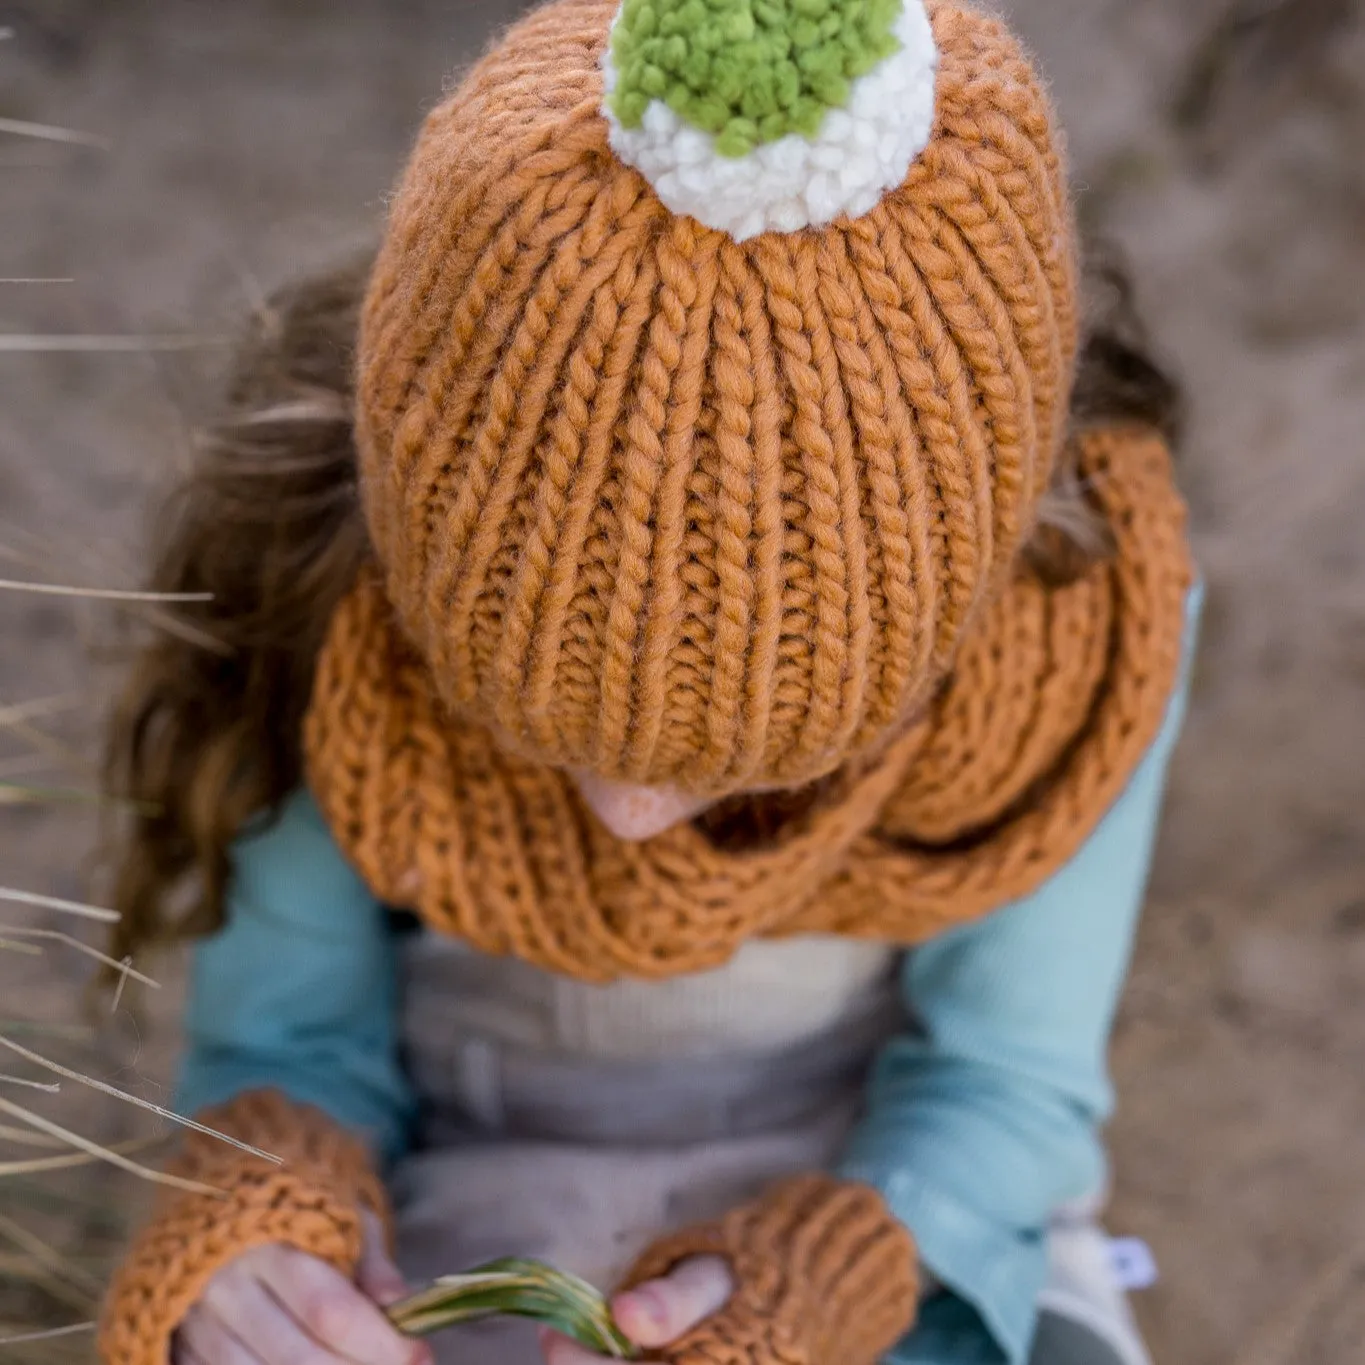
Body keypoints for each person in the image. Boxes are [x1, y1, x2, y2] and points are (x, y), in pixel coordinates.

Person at [97, 1, 1200, 1362]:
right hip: (480, 1185)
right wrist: (263, 1206)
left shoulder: (1075, 628)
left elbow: (1006, 1083)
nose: (623, 817)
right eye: (535, 726)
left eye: (741, 757)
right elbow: (288, 1040)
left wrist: (837, 1268)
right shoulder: (325, 583)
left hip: (898, 1215)